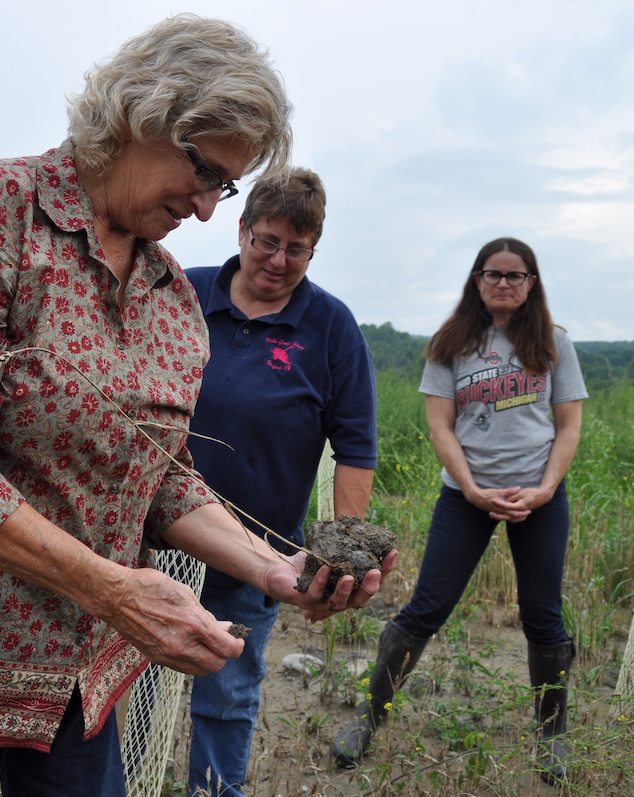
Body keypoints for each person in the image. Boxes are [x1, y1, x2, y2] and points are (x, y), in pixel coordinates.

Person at [0, 15, 391, 797]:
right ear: (140, 115)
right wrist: (114, 589)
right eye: (206, 172)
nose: (212, 208)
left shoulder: (169, 293)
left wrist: (273, 568)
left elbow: (159, 472)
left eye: (227, 185)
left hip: (72, 670)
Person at [329, 237, 587, 783]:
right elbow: (441, 426)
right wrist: (469, 487)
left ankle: (552, 733)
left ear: (531, 284)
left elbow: (568, 427)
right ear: (477, 279)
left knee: (543, 615)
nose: (503, 283)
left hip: (537, 499)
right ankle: (369, 718)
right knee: (426, 608)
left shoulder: (555, 343)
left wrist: (543, 490)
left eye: (515, 276)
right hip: (465, 498)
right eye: (493, 274)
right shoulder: (451, 343)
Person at [183, 168, 383, 796]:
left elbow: (355, 447)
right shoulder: (182, 295)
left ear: (314, 248)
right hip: (154, 536)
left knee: (226, 691)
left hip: (257, 551)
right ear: (241, 229)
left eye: (296, 249)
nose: (278, 259)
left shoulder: (330, 326)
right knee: (135, 678)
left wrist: (343, 552)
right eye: (267, 241)